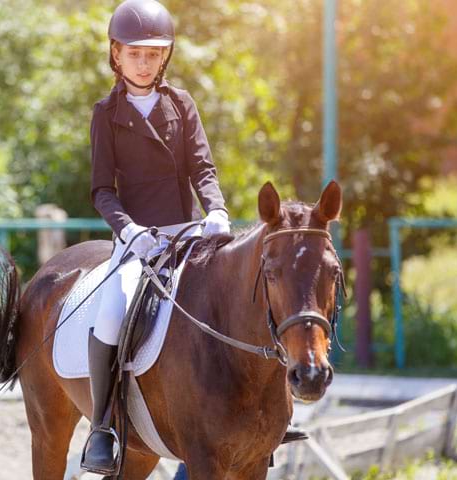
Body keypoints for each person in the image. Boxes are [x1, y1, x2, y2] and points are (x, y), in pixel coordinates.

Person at [81, 0, 303, 475]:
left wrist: (217, 209)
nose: (144, 62)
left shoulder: (181, 104)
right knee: (113, 311)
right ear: (116, 55)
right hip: (137, 240)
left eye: (153, 53)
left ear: (166, 56)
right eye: (134, 53)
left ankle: (275, 414)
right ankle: (103, 427)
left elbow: (202, 167)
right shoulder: (105, 114)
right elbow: (102, 189)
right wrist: (129, 231)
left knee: (247, 297)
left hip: (189, 235)